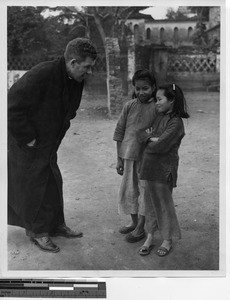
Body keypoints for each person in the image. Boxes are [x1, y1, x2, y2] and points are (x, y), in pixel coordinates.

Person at [8, 38, 97, 253]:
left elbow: (70, 108)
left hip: (48, 143)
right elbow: (10, 105)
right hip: (26, 142)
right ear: (73, 62)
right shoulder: (42, 73)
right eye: (87, 67)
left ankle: (55, 225)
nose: (90, 72)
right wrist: (28, 137)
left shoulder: (76, 78)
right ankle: (38, 232)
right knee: (34, 185)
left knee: (53, 181)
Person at [137, 83, 189, 256]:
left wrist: (151, 139)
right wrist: (151, 137)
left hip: (164, 169)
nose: (156, 103)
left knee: (164, 205)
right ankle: (150, 237)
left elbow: (159, 146)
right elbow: (140, 133)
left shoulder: (176, 123)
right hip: (149, 168)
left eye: (159, 99)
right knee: (150, 203)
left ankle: (167, 239)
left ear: (172, 100)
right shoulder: (158, 116)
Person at [113, 69, 157, 243]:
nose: (141, 92)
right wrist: (119, 159)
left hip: (148, 159)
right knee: (129, 191)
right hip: (128, 156)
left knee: (146, 193)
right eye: (138, 88)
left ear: (153, 87)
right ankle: (134, 221)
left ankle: (141, 228)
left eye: (145, 88)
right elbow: (119, 132)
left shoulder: (157, 107)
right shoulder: (129, 106)